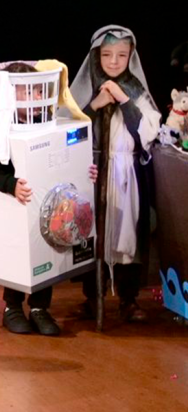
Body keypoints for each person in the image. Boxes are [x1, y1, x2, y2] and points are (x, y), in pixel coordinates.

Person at [0, 63, 98, 336]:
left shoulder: (48, 122)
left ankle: (40, 308)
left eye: (33, 93)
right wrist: (11, 184)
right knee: (20, 256)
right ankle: (12, 307)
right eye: (22, 94)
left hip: (48, 205)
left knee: (45, 253)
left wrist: (85, 170)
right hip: (17, 206)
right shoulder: (0, 128)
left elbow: (68, 154)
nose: (30, 100)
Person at [70, 26, 162, 322]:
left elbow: (149, 132)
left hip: (126, 173)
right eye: (107, 54)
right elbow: (68, 130)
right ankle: (92, 297)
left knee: (128, 235)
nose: (113, 61)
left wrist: (123, 99)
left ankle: (128, 298)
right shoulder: (85, 89)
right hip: (93, 172)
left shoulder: (136, 90)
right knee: (92, 234)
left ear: (130, 57)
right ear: (96, 56)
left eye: (121, 55)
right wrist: (94, 106)